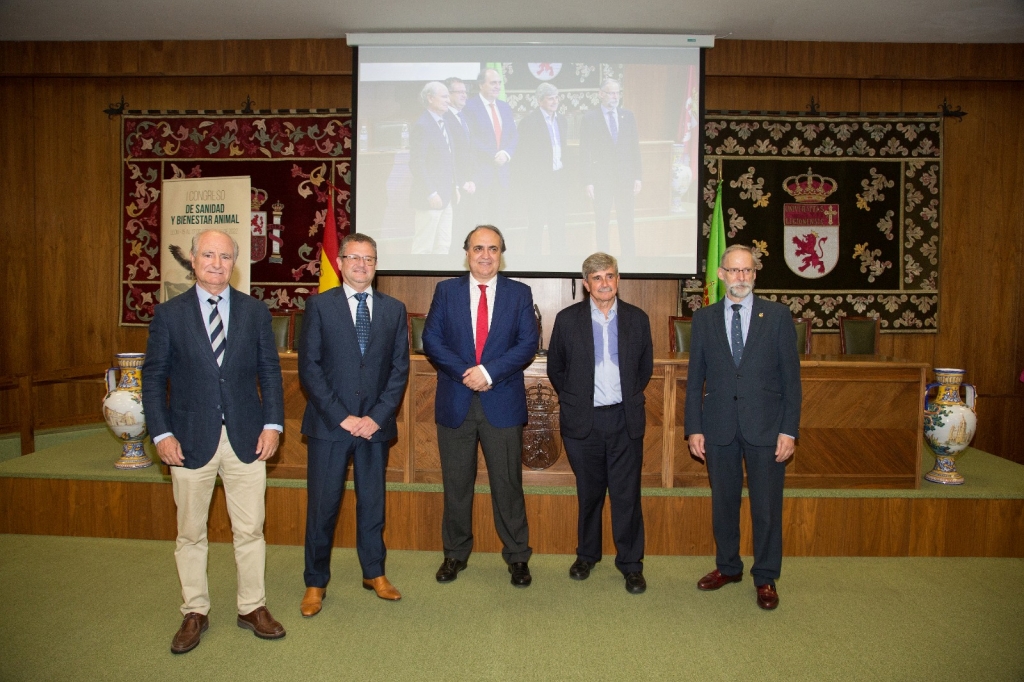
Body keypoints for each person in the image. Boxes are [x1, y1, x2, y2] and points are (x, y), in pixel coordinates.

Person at [141, 228, 286, 654]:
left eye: (225, 256)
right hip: (187, 440)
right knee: (190, 532)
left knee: (251, 529)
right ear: (192, 258)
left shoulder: (255, 313)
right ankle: (195, 611)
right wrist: (162, 434)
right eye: (208, 255)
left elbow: (270, 374)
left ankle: (252, 607)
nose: (217, 263)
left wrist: (273, 425)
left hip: (247, 437)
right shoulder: (169, 315)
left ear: (234, 262)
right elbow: (153, 379)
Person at [297, 233, 410, 617]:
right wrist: (342, 416)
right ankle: (315, 581)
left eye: (370, 259)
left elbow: (399, 371)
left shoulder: (394, 310)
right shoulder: (319, 306)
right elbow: (309, 368)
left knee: (373, 505)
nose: (362, 265)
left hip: (374, 428)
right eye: (355, 258)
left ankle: (374, 573)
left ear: (376, 265)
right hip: (331, 426)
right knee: (323, 506)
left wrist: (375, 418)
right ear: (340, 262)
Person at [684, 244, 802, 610]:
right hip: (718, 427)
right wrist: (694, 428)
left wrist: (789, 430)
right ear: (721, 275)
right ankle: (728, 567)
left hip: (767, 428)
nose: (741, 278)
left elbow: (792, 381)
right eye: (734, 271)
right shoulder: (704, 319)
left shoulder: (778, 316)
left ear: (754, 274)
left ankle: (765, 576)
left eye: (747, 271)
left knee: (766, 506)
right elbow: (695, 380)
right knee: (724, 504)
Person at [421, 225, 538, 587]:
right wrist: (465, 373)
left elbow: (526, 343)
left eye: (492, 248)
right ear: (466, 252)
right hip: (456, 401)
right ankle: (455, 554)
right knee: (457, 485)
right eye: (478, 248)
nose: (485, 255)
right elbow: (432, 339)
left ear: (501, 253)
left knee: (508, 485)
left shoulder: (520, 293)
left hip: (501, 401)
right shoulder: (446, 291)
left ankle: (518, 557)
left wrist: (488, 372)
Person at [547, 252, 653, 594]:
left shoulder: (638, 319)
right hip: (584, 422)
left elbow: (644, 368)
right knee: (589, 493)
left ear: (618, 279)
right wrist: (578, 399)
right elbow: (556, 369)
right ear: (586, 284)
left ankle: (631, 564)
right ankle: (587, 555)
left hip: (625, 419)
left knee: (626, 495)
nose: (604, 283)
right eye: (596, 278)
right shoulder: (567, 320)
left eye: (609, 276)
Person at [578, 78, 642, 257]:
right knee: (602, 221)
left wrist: (638, 177)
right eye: (611, 93)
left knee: (626, 221)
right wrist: (587, 181)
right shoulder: (590, 118)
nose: (615, 97)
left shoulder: (627, 116)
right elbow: (585, 152)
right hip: (601, 181)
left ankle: (630, 259)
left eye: (617, 93)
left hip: (625, 179)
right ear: (601, 94)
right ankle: (603, 260)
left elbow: (634, 147)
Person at [513, 82, 568, 255]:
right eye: (550, 98)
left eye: (556, 97)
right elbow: (523, 157)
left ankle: (559, 261)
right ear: (540, 101)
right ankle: (533, 262)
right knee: (536, 224)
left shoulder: (562, 120)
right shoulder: (529, 122)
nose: (555, 101)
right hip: (537, 183)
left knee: (558, 223)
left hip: (557, 180)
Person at [461, 68, 518, 226]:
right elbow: (470, 138)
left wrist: (506, 154)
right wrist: (494, 155)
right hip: (480, 173)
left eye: (499, 83)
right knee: (475, 222)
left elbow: (514, 135)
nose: (497, 86)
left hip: (502, 174)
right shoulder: (469, 107)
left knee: (498, 223)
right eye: (493, 83)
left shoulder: (504, 107)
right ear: (481, 85)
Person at [409, 81, 461, 254]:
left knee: (443, 245)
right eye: (444, 96)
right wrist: (431, 192)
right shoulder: (422, 125)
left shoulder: (444, 122)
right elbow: (417, 164)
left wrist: (455, 186)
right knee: (423, 247)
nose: (448, 100)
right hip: (429, 199)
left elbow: (449, 159)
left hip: (447, 196)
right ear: (430, 98)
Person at [444, 76, 477, 242]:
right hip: (455, 185)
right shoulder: (444, 118)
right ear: (448, 94)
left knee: (467, 230)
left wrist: (471, 179)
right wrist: (461, 181)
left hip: (469, 184)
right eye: (460, 92)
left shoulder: (465, 116)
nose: (464, 95)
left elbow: (469, 152)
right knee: (454, 233)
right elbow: (451, 156)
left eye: (466, 92)